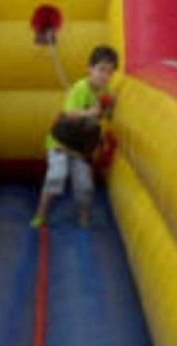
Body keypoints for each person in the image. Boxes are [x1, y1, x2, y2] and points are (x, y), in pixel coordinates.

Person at [33, 44, 119, 228]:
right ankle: (41, 214)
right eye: (101, 69)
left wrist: (110, 108)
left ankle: (84, 215)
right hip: (61, 143)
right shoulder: (81, 88)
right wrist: (90, 112)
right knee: (56, 176)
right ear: (90, 69)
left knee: (85, 186)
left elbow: (109, 116)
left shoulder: (107, 93)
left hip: (80, 148)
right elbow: (69, 114)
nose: (104, 76)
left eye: (109, 72)